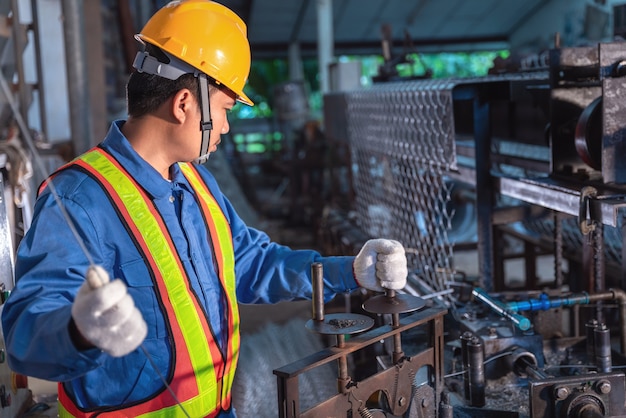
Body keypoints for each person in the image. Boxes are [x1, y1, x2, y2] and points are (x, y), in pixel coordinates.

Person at [0, 1, 408, 417]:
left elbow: (251, 263)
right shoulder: (79, 199)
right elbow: (23, 335)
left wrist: (351, 272)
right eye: (226, 110)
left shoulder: (195, 183)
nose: (227, 128)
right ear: (183, 103)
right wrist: (79, 331)